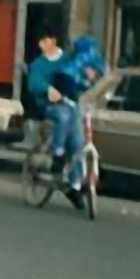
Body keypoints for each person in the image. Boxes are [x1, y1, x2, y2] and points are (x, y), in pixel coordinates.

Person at [26, 27, 85, 209]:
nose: (44, 44)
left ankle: (75, 186)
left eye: (47, 40)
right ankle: (57, 154)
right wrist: (47, 89)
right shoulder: (38, 64)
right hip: (49, 106)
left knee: (77, 142)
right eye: (41, 42)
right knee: (63, 115)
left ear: (54, 41)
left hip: (70, 103)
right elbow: (33, 83)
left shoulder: (66, 59)